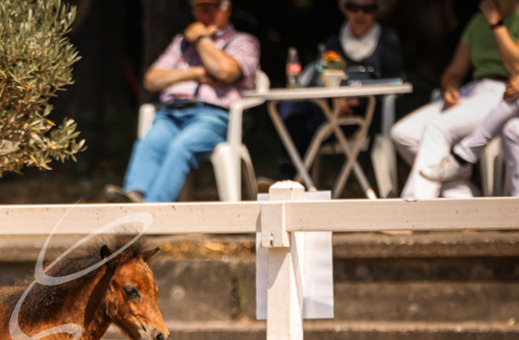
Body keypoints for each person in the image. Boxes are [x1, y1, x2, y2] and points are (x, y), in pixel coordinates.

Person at [103, 0, 260, 203]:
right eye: (201, 8)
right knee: (149, 144)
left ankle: (152, 211)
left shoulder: (244, 42)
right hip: (171, 114)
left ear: (227, 9)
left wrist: (202, 39)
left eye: (212, 6)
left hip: (212, 116)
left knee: (181, 148)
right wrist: (196, 73)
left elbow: (225, 71)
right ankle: (133, 197)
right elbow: (152, 79)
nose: (206, 13)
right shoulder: (182, 43)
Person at [391, 0, 519, 199]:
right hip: (475, 89)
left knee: (438, 128)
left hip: (505, 91)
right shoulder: (478, 21)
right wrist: (450, 85)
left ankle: (412, 212)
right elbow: (454, 70)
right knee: (403, 133)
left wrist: (495, 22)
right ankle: (463, 196)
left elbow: (517, 67)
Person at [276, 0, 403, 180]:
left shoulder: (386, 39)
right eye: (353, 7)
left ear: (377, 11)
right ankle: (287, 172)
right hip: (328, 109)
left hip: (362, 117)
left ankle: (293, 179)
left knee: (307, 122)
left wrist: (356, 100)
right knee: (291, 105)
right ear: (345, 9)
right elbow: (322, 76)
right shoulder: (334, 42)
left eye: (368, 9)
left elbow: (396, 83)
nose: (360, 14)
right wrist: (335, 100)